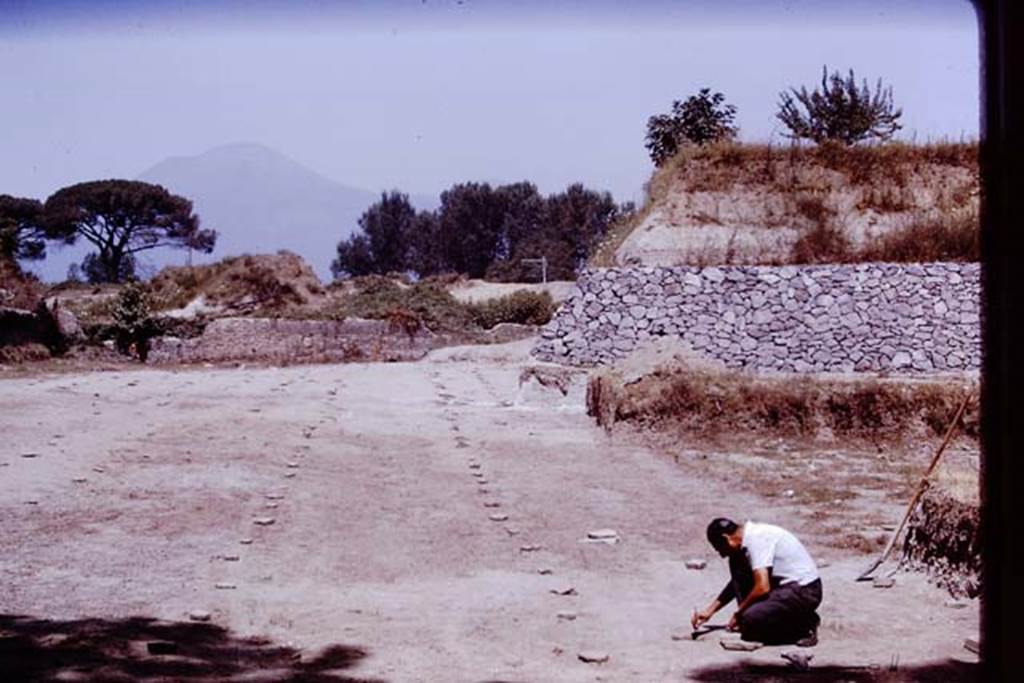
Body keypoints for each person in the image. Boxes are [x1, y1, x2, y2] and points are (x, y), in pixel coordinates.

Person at [691, 517, 822, 646]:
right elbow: (736, 582)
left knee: (750, 621)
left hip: (805, 591)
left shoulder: (757, 540)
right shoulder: (745, 543)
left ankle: (804, 625)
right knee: (735, 562)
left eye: (720, 549)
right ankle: (760, 618)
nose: (722, 555)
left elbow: (762, 587)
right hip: (785, 588)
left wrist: (739, 613)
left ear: (726, 538)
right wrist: (710, 611)